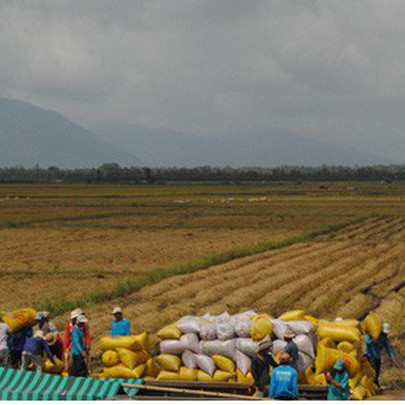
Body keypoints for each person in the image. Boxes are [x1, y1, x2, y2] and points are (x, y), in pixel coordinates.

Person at [365, 322, 398, 388]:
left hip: (377, 356)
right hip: (370, 356)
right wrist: (373, 340)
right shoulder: (372, 334)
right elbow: (367, 343)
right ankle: (372, 386)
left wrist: (393, 358)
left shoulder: (384, 338)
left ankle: (375, 386)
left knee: (377, 372)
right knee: (372, 373)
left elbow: (388, 348)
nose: (385, 334)